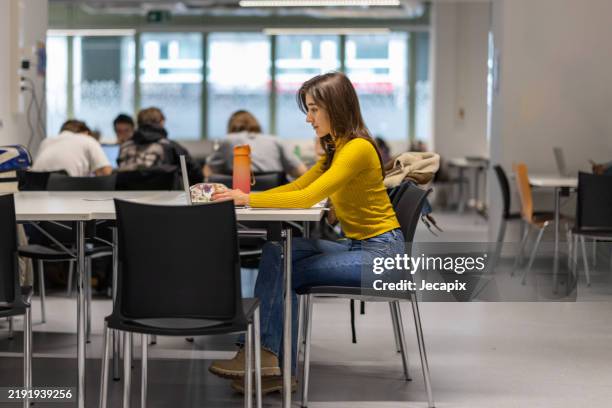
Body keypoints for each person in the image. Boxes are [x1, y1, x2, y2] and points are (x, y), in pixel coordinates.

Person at [208, 72, 405, 394]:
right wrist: (238, 194)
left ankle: (265, 358)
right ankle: (265, 360)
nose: (308, 118)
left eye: (314, 109)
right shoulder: (337, 149)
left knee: (286, 271)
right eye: (308, 109)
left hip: (383, 255)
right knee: (277, 251)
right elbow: (298, 185)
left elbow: (305, 198)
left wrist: (247, 199)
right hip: (358, 247)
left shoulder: (356, 149)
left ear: (336, 107)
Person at [206, 110, 307, 178]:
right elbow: (301, 171)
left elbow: (208, 172)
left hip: (237, 196)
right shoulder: (276, 140)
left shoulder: (227, 141)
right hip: (272, 194)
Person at [117, 107, 203, 183]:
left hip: (125, 199)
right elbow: (196, 174)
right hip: (163, 199)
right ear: (161, 122)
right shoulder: (170, 146)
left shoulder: (125, 146)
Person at [32, 119, 112, 176]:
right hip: (67, 190)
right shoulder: (87, 139)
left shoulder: (46, 141)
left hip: (34, 190)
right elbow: (106, 172)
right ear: (86, 133)